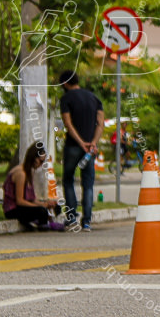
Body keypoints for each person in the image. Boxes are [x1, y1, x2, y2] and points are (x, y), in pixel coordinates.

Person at [58, 69, 103, 231]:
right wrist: (93, 143)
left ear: (64, 83)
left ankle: (72, 218)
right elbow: (100, 124)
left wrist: (80, 142)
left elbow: (68, 124)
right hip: (89, 150)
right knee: (88, 184)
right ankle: (87, 222)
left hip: (73, 146)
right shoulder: (94, 98)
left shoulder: (66, 99)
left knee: (68, 180)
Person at [2, 141, 62, 230]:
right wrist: (42, 206)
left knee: (54, 207)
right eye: (40, 161)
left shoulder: (29, 172)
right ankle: (43, 224)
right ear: (33, 157)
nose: (41, 165)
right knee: (41, 211)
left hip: (23, 207)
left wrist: (45, 203)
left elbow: (32, 199)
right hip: (13, 209)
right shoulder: (21, 174)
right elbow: (20, 201)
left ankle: (45, 221)